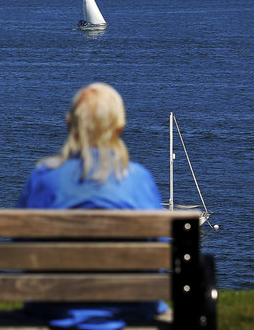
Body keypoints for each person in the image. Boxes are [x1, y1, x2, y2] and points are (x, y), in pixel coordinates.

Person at [16, 82, 167, 329]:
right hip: (130, 309)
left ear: (69, 124)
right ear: (120, 128)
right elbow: (163, 248)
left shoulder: (43, 177)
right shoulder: (138, 178)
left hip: (53, 308)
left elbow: (20, 244)